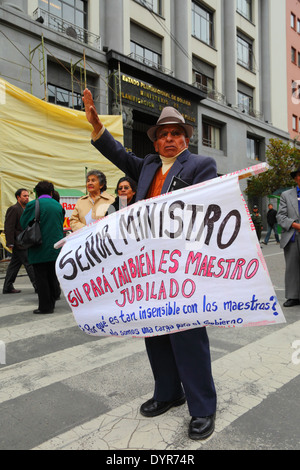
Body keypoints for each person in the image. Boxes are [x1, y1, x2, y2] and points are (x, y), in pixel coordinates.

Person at [83, 88, 217, 440]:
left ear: (186, 139)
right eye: (163, 135)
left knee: (188, 338)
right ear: (156, 142)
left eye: (175, 133)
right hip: (147, 270)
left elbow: (204, 212)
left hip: (182, 268)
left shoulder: (202, 166)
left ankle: (202, 407)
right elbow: (118, 154)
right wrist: (98, 128)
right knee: (155, 333)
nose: (169, 139)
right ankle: (169, 393)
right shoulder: (148, 167)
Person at [20, 181, 64, 314]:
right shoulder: (57, 205)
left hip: (39, 247)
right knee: (52, 275)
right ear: (51, 192)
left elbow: (23, 223)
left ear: (37, 193)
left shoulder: (33, 204)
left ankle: (45, 307)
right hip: (55, 247)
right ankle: (52, 300)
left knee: (41, 277)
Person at [2, 188, 36, 294]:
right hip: (19, 242)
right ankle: (38, 285)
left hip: (25, 241)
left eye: (27, 196)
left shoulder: (27, 209)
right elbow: (9, 226)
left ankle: (7, 286)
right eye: (24, 196)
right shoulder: (14, 209)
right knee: (29, 263)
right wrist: (10, 242)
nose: (27, 198)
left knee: (14, 265)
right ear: (18, 197)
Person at [276, 165, 300, 307]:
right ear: (296, 178)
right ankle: (293, 296)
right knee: (292, 267)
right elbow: (281, 216)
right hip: (292, 235)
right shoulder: (286, 195)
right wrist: (296, 225)